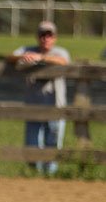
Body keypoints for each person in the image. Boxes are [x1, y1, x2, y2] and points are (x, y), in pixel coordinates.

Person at [7, 20, 71, 175]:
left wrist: (40, 58)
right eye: (42, 35)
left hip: (56, 107)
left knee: (53, 143)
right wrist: (26, 57)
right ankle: (34, 174)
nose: (46, 38)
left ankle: (50, 175)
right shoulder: (28, 50)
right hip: (33, 107)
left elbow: (63, 62)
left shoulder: (60, 52)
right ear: (37, 36)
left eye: (49, 35)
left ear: (55, 38)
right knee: (33, 144)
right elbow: (10, 57)